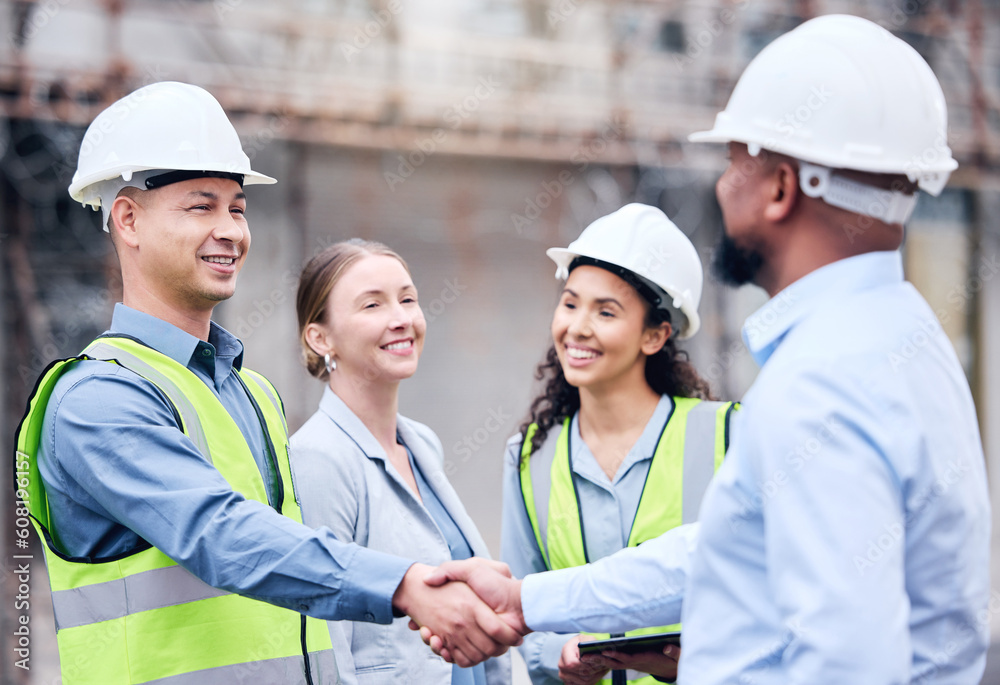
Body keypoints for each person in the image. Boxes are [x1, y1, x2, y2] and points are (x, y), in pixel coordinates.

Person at [419, 14, 992, 684]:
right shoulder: (901, 334)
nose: (722, 186)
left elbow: (847, 661)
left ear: (781, 188)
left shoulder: (822, 380)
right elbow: (718, 549)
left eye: (732, 162)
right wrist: (531, 599)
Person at [12, 81, 521, 685]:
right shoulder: (96, 402)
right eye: (202, 206)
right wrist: (405, 584)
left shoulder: (252, 394)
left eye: (237, 207)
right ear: (128, 218)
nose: (230, 229)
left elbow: (292, 591)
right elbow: (221, 533)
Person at [500, 203, 736, 685]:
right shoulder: (529, 456)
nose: (578, 327)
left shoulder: (729, 436)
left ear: (655, 335)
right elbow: (518, 606)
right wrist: (559, 653)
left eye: (605, 311)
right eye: (570, 303)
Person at [288, 239, 512, 685]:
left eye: (408, 298)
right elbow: (325, 642)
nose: (401, 319)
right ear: (320, 337)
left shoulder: (421, 443)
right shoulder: (318, 458)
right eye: (372, 305)